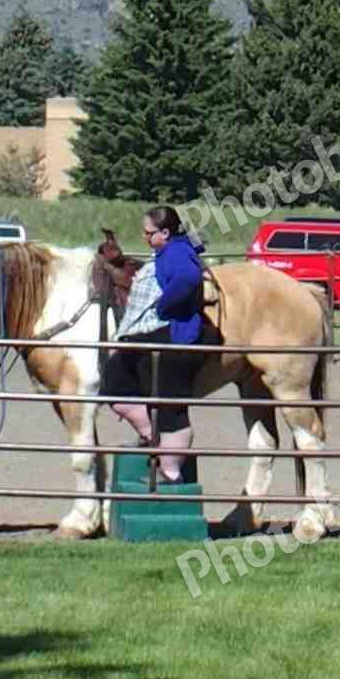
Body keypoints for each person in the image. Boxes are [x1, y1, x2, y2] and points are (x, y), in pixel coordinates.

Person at [132, 204, 209, 488]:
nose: (145, 237)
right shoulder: (170, 250)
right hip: (176, 332)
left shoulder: (176, 252)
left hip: (181, 334)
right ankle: (155, 443)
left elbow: (187, 278)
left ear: (165, 232)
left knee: (169, 400)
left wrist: (163, 306)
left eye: (148, 233)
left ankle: (170, 471)